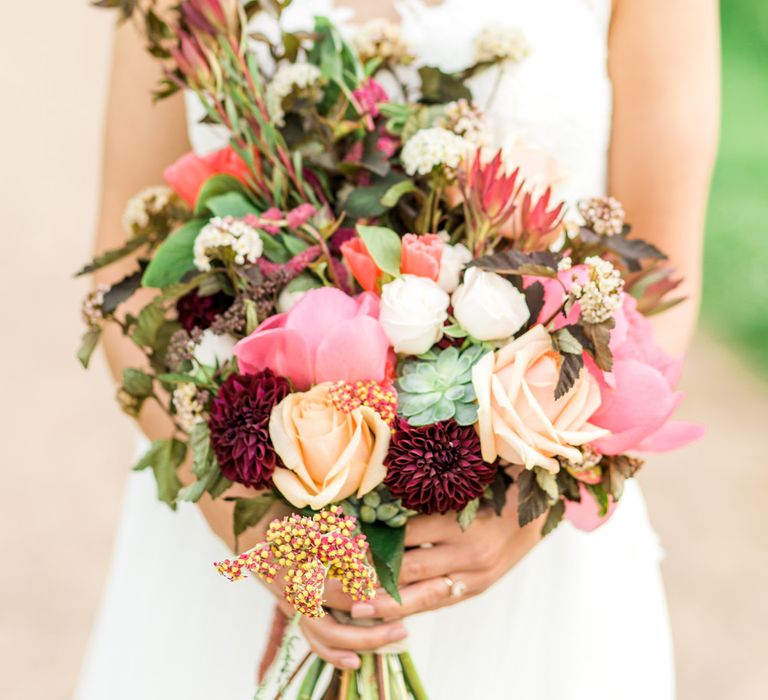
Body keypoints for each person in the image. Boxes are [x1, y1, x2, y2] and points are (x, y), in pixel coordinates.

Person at [77, 0, 719, 698]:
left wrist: (532, 508)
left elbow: (662, 286)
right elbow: (128, 275)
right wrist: (248, 521)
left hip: (522, 555)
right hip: (241, 517)